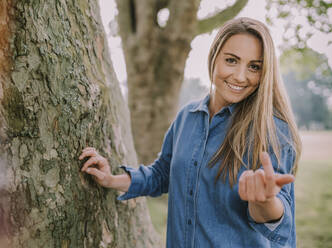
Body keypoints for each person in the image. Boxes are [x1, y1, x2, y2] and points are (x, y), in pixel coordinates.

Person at [79, 17, 301, 248]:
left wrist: (264, 202)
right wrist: (111, 179)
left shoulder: (273, 130)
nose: (240, 76)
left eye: (254, 66)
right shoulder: (187, 116)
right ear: (214, 56)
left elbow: (281, 223)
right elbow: (162, 174)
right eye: (231, 60)